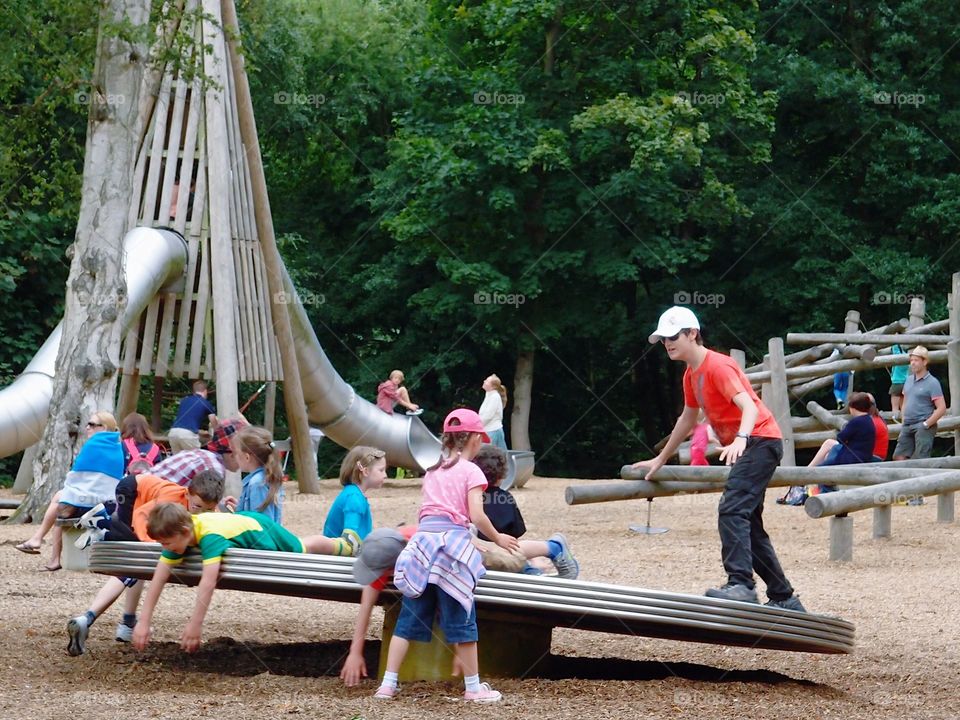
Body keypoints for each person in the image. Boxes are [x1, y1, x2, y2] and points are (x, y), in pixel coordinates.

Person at [634, 306, 806, 612]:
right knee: (748, 523)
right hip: (753, 442)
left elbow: (750, 408)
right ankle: (783, 596)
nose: (667, 343)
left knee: (732, 510)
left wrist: (740, 439)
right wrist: (660, 459)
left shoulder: (718, 366)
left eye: (673, 336)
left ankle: (741, 585)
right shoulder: (691, 374)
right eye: (663, 339)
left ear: (693, 334)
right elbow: (687, 419)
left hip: (760, 440)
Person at [374, 408, 520, 703]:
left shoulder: (433, 470)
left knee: (407, 621)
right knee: (463, 621)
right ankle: (473, 687)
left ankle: (387, 685)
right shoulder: (472, 471)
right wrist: (498, 538)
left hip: (423, 547)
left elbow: (427, 513)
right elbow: (476, 516)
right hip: (451, 550)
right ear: (476, 440)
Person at [131, 503, 348, 653]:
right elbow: (159, 577)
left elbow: (208, 581)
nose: (164, 548)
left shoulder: (209, 536)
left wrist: (195, 625)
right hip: (241, 522)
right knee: (300, 545)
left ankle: (342, 545)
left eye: (166, 544)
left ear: (186, 531)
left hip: (259, 528)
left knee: (300, 548)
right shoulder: (177, 534)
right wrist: (144, 622)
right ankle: (338, 544)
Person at [65, 469, 224, 656]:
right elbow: (141, 514)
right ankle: (106, 527)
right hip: (131, 489)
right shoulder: (171, 499)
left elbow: (217, 524)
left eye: (208, 509)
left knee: (136, 567)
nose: (201, 513)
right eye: (197, 507)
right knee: (136, 558)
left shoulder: (207, 510)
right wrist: (149, 545)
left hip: (140, 497)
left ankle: (125, 622)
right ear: (187, 494)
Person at [14, 411, 124, 571]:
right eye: (88, 424)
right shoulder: (117, 447)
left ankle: (45, 548)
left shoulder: (93, 445)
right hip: (109, 503)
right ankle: (41, 543)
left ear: (104, 427)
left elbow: (75, 477)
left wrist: (72, 492)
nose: (87, 427)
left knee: (61, 502)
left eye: (92, 425)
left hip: (90, 504)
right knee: (61, 500)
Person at [472, 443, 578, 578]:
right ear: (502, 476)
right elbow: (517, 531)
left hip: (492, 551)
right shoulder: (505, 497)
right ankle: (534, 568)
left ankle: (549, 551)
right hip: (504, 549)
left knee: (505, 554)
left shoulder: (471, 498)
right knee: (514, 552)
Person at [777, 392, 878, 505]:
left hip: (851, 457)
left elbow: (841, 438)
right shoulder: (868, 420)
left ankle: (823, 493)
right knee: (829, 445)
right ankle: (805, 475)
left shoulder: (856, 422)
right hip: (858, 455)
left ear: (852, 408)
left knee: (822, 470)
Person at [151, 417, 246, 488]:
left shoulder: (201, 455)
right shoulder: (214, 470)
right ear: (233, 454)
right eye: (246, 454)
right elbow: (205, 508)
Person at [322, 446, 387, 544]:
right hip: (338, 557)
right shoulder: (353, 498)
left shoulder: (354, 494)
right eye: (381, 470)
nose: (385, 475)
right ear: (365, 471)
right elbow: (349, 539)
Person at [893, 346, 946, 462]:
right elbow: (905, 400)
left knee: (921, 459)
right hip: (907, 424)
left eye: (916, 360)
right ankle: (906, 480)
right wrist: (903, 419)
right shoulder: (908, 380)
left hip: (923, 423)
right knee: (898, 456)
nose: (912, 363)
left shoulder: (933, 382)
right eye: (911, 360)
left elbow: (942, 408)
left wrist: (926, 424)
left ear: (925, 362)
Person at [233, 426, 285, 524]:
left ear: (247, 457)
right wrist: (239, 508)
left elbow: (262, 524)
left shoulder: (257, 483)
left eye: (236, 453)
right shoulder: (266, 477)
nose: (235, 457)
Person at [168, 380, 217, 453]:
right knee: (196, 459)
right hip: (187, 436)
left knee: (178, 461)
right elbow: (214, 423)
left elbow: (186, 422)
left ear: (194, 391)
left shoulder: (184, 401)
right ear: (205, 391)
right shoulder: (206, 403)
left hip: (173, 433)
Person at [477, 374, 508, 450]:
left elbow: (487, 416)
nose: (484, 381)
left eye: (487, 381)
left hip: (492, 431)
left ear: (493, 386)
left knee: (490, 456)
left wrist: (477, 426)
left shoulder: (494, 397)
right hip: (489, 430)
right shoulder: (489, 395)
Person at [889, 343, 909, 422]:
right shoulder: (906, 357)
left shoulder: (898, 356)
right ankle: (904, 421)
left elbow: (895, 346)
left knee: (895, 407)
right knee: (903, 405)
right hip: (905, 383)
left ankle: (895, 417)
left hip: (896, 382)